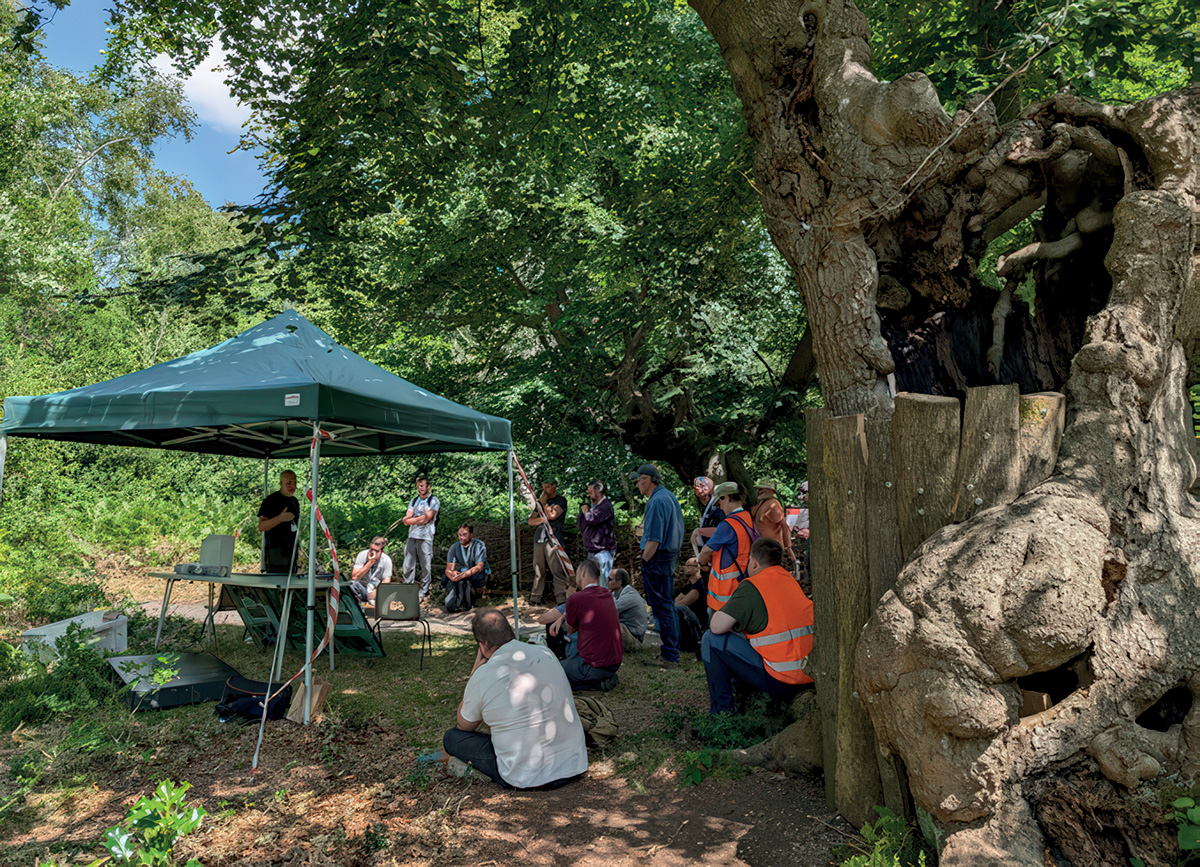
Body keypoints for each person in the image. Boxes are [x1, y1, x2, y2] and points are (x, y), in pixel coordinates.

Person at [443, 609, 588, 789]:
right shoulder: (545, 653)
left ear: (482, 646)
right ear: (510, 632)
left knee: (452, 737)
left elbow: (465, 724)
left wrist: (474, 676)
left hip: (525, 776)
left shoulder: (484, 674)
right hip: (573, 764)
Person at [701, 537, 814, 715]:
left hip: (780, 678)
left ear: (753, 562)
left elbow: (716, 627)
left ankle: (722, 713)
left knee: (710, 639)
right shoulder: (791, 582)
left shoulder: (752, 585)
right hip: (808, 675)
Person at [631, 463, 685, 668]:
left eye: (640, 480)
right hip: (669, 557)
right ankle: (672, 649)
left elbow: (654, 540)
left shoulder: (656, 501)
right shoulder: (669, 496)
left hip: (657, 559)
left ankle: (670, 655)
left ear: (651, 480)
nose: (638, 485)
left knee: (662, 607)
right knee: (667, 606)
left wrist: (645, 558)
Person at [558, 558, 623, 690]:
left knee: (555, 671)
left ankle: (597, 684)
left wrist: (569, 600)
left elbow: (570, 629)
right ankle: (602, 679)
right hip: (614, 662)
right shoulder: (607, 594)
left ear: (582, 574)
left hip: (593, 665)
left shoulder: (576, 598)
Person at [698, 482, 758, 614]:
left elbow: (706, 550)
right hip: (742, 584)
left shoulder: (728, 524)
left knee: (717, 629)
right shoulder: (746, 517)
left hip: (725, 594)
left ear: (729, 497)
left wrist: (702, 563)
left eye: (721, 499)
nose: (719, 504)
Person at [528, 479, 570, 605]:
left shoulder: (560, 501)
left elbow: (553, 515)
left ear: (554, 486)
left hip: (553, 539)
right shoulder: (540, 504)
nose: (545, 490)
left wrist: (544, 505)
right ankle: (535, 598)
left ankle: (561, 598)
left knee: (557, 570)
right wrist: (543, 519)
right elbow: (531, 521)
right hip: (539, 538)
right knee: (538, 570)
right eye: (543, 487)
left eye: (548, 487)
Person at [401, 475, 440, 602]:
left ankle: (423, 591)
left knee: (425, 565)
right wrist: (412, 520)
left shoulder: (433, 501)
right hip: (412, 535)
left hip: (426, 537)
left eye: (423, 486)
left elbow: (426, 518)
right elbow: (407, 518)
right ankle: (408, 588)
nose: (421, 488)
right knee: (408, 564)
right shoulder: (413, 500)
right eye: (419, 486)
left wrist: (411, 520)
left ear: (428, 487)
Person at [258, 470, 300, 573]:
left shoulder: (295, 501)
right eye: (288, 483)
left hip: (291, 553)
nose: (292, 486)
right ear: (281, 483)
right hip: (275, 553)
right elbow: (262, 526)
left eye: (294, 482)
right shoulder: (271, 500)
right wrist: (280, 518)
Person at [444, 524, 489, 613]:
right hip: (463, 573)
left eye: (465, 535)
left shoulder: (479, 545)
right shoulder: (454, 547)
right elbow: (449, 569)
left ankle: (477, 594)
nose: (462, 537)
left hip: (477, 573)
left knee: (477, 575)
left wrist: (465, 574)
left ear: (471, 535)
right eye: (460, 535)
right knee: (446, 579)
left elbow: (480, 566)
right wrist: (452, 575)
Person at [579, 481, 616, 586]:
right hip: (592, 550)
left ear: (599, 490)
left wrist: (586, 512)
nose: (589, 494)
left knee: (602, 583)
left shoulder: (605, 506)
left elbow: (593, 519)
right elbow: (582, 524)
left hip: (603, 551)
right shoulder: (592, 507)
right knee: (592, 582)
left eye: (591, 491)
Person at [752, 478, 796, 563]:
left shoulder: (774, 505)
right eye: (759, 489)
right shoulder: (761, 504)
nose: (759, 491)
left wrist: (788, 547)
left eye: (762, 489)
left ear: (770, 490)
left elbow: (783, 526)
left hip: (772, 550)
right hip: (763, 549)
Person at [673, 557, 708, 658]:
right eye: (686, 565)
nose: (686, 568)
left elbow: (683, 604)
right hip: (690, 620)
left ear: (697, 568)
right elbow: (676, 600)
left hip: (699, 622)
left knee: (678, 609)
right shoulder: (689, 586)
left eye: (689, 565)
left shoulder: (699, 585)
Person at [609, 568, 647, 650]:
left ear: (619, 582)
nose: (607, 582)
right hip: (628, 632)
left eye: (610, 579)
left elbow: (608, 611)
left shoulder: (630, 596)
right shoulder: (618, 593)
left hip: (633, 638)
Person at [349, 536, 393, 605]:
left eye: (376, 551)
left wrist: (375, 593)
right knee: (352, 584)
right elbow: (355, 577)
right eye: (372, 549)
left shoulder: (386, 560)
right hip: (362, 588)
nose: (373, 552)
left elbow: (386, 581)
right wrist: (370, 562)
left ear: (382, 551)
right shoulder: (362, 555)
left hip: (375, 589)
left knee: (390, 590)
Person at [689, 476, 725, 559]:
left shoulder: (718, 507)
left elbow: (723, 530)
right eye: (697, 486)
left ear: (712, 488)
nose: (699, 488)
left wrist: (699, 531)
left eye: (703, 485)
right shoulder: (705, 508)